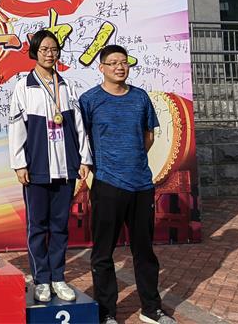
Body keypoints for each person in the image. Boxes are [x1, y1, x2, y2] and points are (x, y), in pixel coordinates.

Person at [79, 45, 176, 324]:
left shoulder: (140, 97)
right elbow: (82, 139)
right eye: (112, 63)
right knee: (103, 253)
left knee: (144, 251)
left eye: (123, 62)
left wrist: (131, 160)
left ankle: (151, 309)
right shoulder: (90, 100)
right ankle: (106, 312)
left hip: (141, 185)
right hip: (107, 184)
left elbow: (149, 136)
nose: (119, 67)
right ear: (101, 68)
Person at [9, 29, 92, 303]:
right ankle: (41, 279)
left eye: (54, 49)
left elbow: (79, 125)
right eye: (44, 49)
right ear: (34, 52)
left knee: (60, 226)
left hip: (65, 166)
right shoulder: (24, 86)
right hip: (37, 167)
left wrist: (84, 158)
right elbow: (16, 128)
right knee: (37, 227)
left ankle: (58, 277)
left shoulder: (66, 86)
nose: (50, 54)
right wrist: (19, 163)